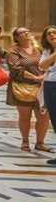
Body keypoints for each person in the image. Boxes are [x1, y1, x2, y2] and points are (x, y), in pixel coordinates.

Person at [6, 27, 51, 152]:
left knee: (43, 115)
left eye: (27, 31)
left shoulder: (39, 49)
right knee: (25, 115)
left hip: (41, 86)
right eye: (22, 32)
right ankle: (25, 141)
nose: (26, 33)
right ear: (16, 37)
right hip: (22, 86)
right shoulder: (14, 51)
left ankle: (40, 142)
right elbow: (16, 69)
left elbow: (48, 64)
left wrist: (44, 76)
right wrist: (35, 77)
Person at [38, 26, 56, 166]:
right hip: (51, 86)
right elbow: (42, 66)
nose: (52, 35)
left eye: (54, 32)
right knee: (54, 119)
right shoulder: (47, 52)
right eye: (49, 33)